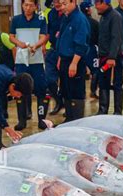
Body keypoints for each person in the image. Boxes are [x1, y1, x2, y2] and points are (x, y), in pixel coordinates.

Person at [9, 0, 49, 131]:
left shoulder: (41, 19)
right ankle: (22, 120)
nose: (28, 8)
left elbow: (44, 36)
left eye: (31, 5)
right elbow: (11, 36)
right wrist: (19, 43)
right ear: (22, 5)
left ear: (36, 6)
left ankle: (42, 119)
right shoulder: (16, 20)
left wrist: (36, 45)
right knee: (21, 88)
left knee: (40, 89)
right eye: (25, 5)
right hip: (21, 60)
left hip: (36, 59)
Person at [56, 0, 90, 122]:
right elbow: (62, 39)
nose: (63, 7)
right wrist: (60, 57)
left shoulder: (79, 19)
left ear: (74, 2)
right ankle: (69, 119)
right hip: (65, 59)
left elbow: (81, 44)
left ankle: (77, 121)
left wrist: (74, 63)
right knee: (66, 90)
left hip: (75, 61)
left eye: (65, 4)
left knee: (76, 92)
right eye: (61, 4)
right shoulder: (66, 17)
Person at [95, 0, 123, 115]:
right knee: (103, 84)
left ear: (105, 3)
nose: (96, 6)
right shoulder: (103, 17)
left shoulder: (115, 16)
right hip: (103, 56)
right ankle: (103, 110)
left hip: (114, 58)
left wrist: (112, 57)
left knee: (117, 84)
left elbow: (116, 38)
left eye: (98, 3)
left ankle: (118, 112)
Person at [45, 0, 65, 115]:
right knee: (49, 79)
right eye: (55, 2)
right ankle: (58, 101)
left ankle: (68, 105)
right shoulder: (51, 14)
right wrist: (43, 44)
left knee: (65, 81)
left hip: (64, 50)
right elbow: (48, 31)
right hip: (52, 50)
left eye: (59, 2)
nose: (57, 4)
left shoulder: (68, 14)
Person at [80, 1, 99, 99]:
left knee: (81, 72)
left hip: (80, 49)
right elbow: (98, 38)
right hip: (91, 49)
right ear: (87, 9)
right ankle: (93, 90)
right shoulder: (94, 23)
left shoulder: (78, 21)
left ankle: (81, 92)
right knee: (95, 71)